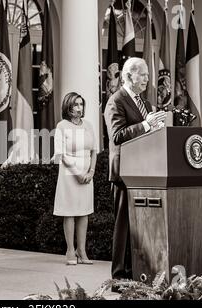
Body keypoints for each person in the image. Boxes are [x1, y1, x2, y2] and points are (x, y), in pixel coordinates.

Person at [104, 58, 167, 282]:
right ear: (129, 75)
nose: (148, 80)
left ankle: (136, 273)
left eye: (148, 75)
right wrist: (146, 125)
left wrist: (158, 128)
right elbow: (118, 135)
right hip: (124, 172)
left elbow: (146, 134)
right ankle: (119, 277)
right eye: (143, 75)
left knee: (140, 226)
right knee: (123, 226)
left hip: (145, 171)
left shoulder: (146, 104)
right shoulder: (115, 101)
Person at [53, 92, 97, 265]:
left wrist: (91, 171)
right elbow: (61, 154)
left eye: (81, 104)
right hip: (70, 173)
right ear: (68, 107)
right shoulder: (62, 126)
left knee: (84, 212)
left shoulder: (88, 125)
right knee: (70, 212)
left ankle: (82, 250)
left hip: (87, 173)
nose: (79, 108)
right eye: (75, 105)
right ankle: (70, 250)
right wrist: (77, 173)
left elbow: (94, 150)